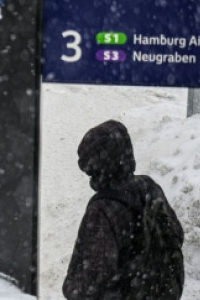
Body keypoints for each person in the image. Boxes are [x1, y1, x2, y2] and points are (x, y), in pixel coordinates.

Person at [63, 119, 185, 300]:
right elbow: (176, 234)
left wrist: (71, 288)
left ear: (96, 167)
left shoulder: (102, 210)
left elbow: (93, 282)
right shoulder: (149, 186)